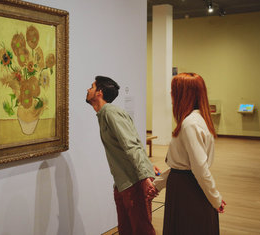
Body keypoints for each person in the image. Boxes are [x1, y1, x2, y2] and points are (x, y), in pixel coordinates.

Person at [153, 72, 226, 235]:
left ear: (183, 94)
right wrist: (157, 185)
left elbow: (199, 169)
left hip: (187, 191)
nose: (170, 94)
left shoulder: (189, 124)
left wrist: (215, 198)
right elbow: (181, 166)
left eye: (174, 90)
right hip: (188, 187)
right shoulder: (196, 120)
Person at [86, 75, 157, 235]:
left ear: (99, 92)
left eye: (91, 86)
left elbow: (131, 145)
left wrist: (145, 176)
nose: (88, 89)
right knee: (126, 230)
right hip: (123, 184)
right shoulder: (104, 114)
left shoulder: (111, 113)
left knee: (142, 230)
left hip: (134, 183)